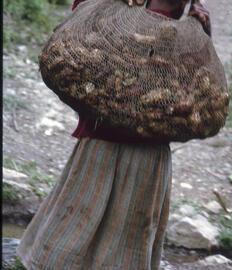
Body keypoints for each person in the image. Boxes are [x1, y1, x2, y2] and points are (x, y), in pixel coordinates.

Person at [16, 0, 211, 269]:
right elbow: (83, 19)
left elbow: (190, 72)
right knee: (80, 218)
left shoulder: (183, 13)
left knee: (124, 230)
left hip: (144, 144)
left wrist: (197, 21)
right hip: (104, 136)